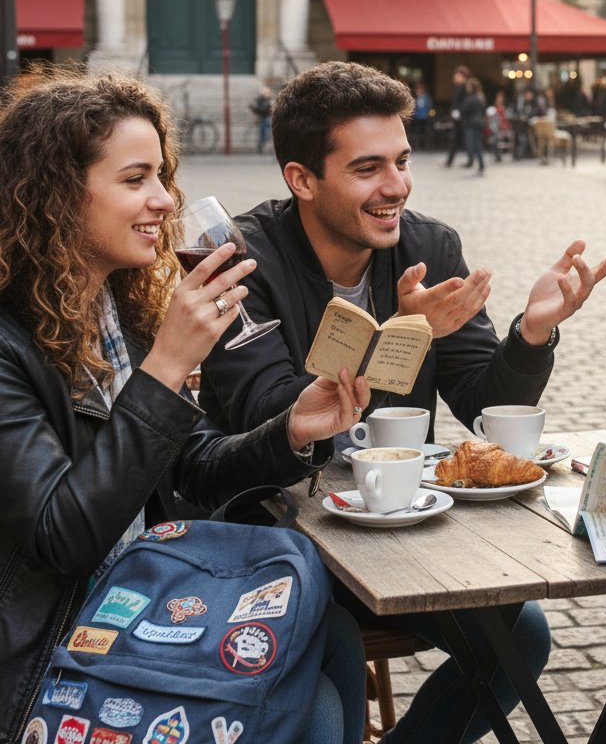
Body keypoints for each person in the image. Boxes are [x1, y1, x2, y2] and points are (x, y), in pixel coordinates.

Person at [198, 60, 606, 743]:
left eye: (402, 159)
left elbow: (484, 397)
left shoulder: (428, 244)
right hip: (278, 537)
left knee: (521, 635)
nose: (396, 186)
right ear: (302, 179)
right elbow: (272, 415)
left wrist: (533, 332)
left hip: (391, 525)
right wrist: (403, 337)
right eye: (368, 168)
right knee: (321, 666)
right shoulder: (247, 262)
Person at [0, 72, 368, 744]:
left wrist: (290, 432)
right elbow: (62, 537)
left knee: (336, 636)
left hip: (149, 590)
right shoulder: (8, 344)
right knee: (314, 714)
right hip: (57, 641)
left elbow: (191, 467)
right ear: (57, 192)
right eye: (136, 178)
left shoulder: (118, 307)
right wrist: (167, 365)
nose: (165, 200)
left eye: (163, 176)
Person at [443, 65, 470, 167]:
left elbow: (465, 102)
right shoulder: (458, 87)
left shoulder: (465, 87)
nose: (455, 77)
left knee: (466, 139)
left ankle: (470, 160)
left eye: (457, 75)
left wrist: (459, 112)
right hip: (457, 117)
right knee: (455, 139)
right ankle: (450, 161)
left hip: (462, 118)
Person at [460, 76, 487, 176]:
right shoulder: (481, 97)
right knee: (477, 145)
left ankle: (474, 163)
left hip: (471, 123)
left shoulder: (471, 99)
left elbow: (464, 110)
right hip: (479, 123)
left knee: (472, 144)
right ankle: (480, 165)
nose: (467, 88)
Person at [249, 79, 275, 154]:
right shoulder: (260, 99)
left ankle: (262, 143)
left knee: (266, 127)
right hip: (263, 118)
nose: (266, 93)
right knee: (263, 130)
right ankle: (261, 144)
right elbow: (259, 110)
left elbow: (265, 109)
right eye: (265, 91)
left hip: (267, 118)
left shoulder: (269, 100)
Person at [410, 80, 433, 149]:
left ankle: (425, 144)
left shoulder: (427, 98)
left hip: (425, 117)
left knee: (425, 131)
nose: (417, 92)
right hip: (417, 117)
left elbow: (429, 107)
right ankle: (418, 144)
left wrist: (428, 114)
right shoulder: (416, 98)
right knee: (417, 131)